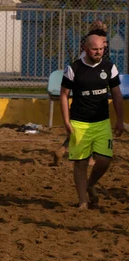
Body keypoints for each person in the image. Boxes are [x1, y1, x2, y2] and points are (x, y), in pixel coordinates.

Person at [60, 34, 124, 210]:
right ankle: (82, 202)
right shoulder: (73, 69)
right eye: (95, 49)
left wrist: (120, 120)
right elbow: (64, 95)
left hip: (102, 122)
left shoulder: (109, 67)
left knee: (104, 160)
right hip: (79, 122)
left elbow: (117, 94)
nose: (99, 52)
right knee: (80, 163)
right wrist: (66, 121)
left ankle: (90, 184)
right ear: (86, 49)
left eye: (102, 49)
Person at [54, 22, 109, 165]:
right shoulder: (100, 45)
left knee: (80, 127)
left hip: (80, 86)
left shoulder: (87, 43)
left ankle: (63, 148)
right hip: (90, 85)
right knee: (90, 125)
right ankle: (89, 157)